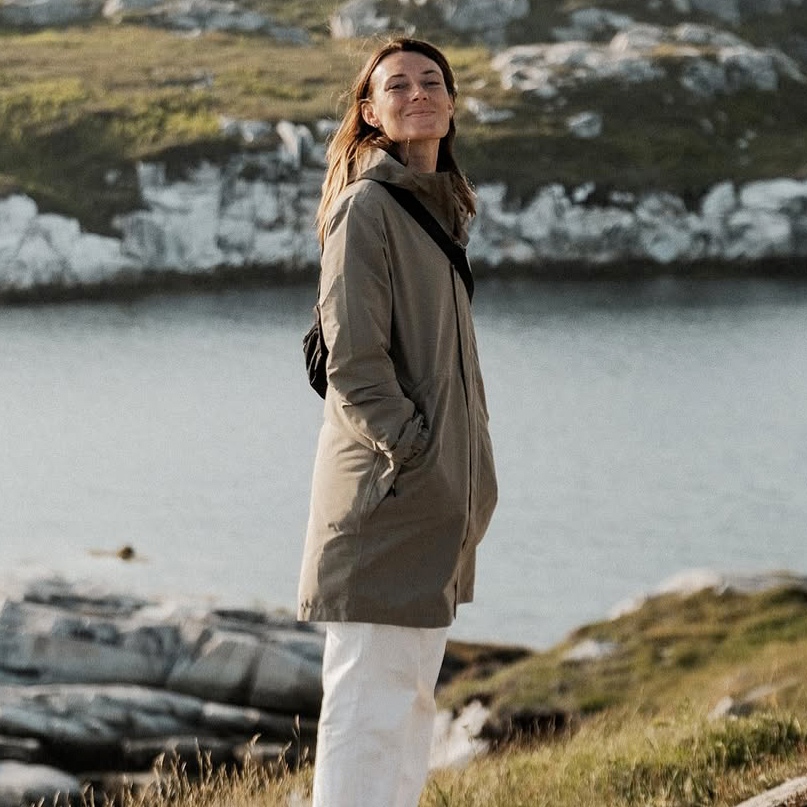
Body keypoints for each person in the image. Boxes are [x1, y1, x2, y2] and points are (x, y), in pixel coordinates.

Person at [297, 37, 498, 807]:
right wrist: (420, 457)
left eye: (431, 82)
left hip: (429, 507)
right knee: (365, 710)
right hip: (387, 504)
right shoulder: (366, 209)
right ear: (371, 113)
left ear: (450, 103)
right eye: (397, 85)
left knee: (407, 703)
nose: (417, 93)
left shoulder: (439, 212)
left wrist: (463, 473)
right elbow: (356, 368)